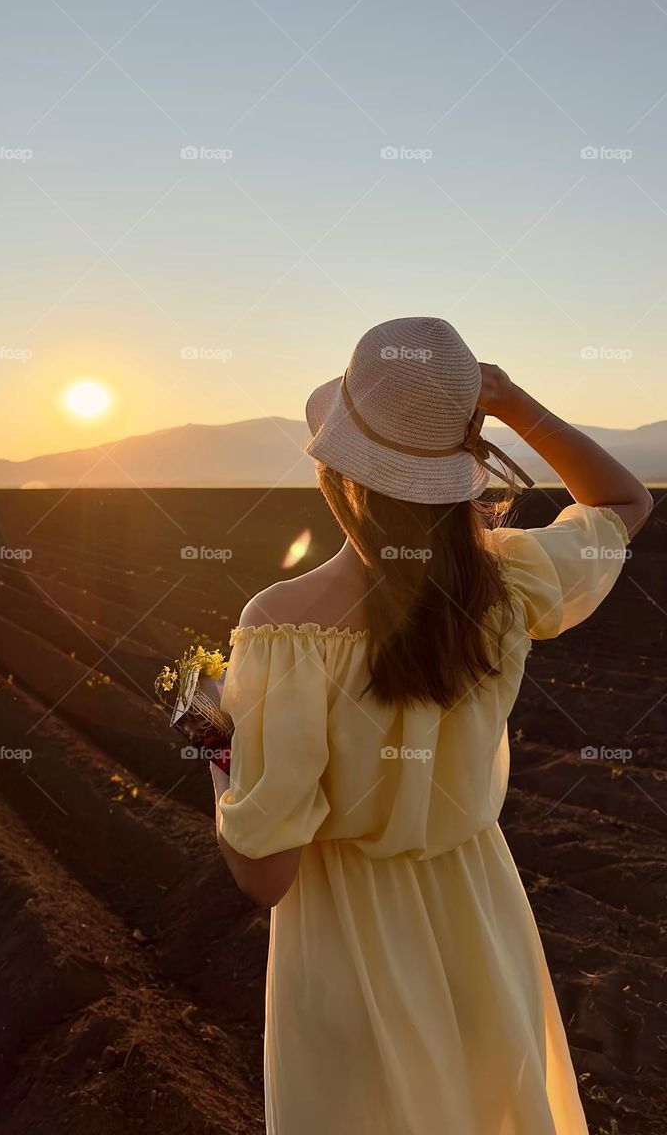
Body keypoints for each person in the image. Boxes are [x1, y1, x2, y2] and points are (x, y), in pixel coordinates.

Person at [209, 316, 652, 1135]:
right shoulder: (509, 582)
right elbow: (625, 501)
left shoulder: (280, 627)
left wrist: (213, 739)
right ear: (460, 469)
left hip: (348, 949)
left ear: (338, 468)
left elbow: (264, 874)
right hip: (480, 921)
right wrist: (516, 404)